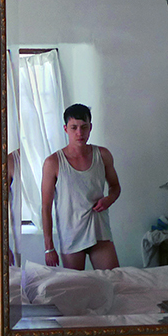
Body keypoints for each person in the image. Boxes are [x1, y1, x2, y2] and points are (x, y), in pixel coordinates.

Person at [41, 103, 120, 270]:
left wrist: (109, 199)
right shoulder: (53, 162)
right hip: (71, 235)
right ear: (65, 129)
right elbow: (46, 206)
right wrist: (49, 247)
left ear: (90, 127)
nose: (79, 133)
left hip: (99, 230)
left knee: (114, 279)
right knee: (75, 284)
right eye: (74, 127)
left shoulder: (102, 155)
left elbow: (115, 187)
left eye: (84, 127)